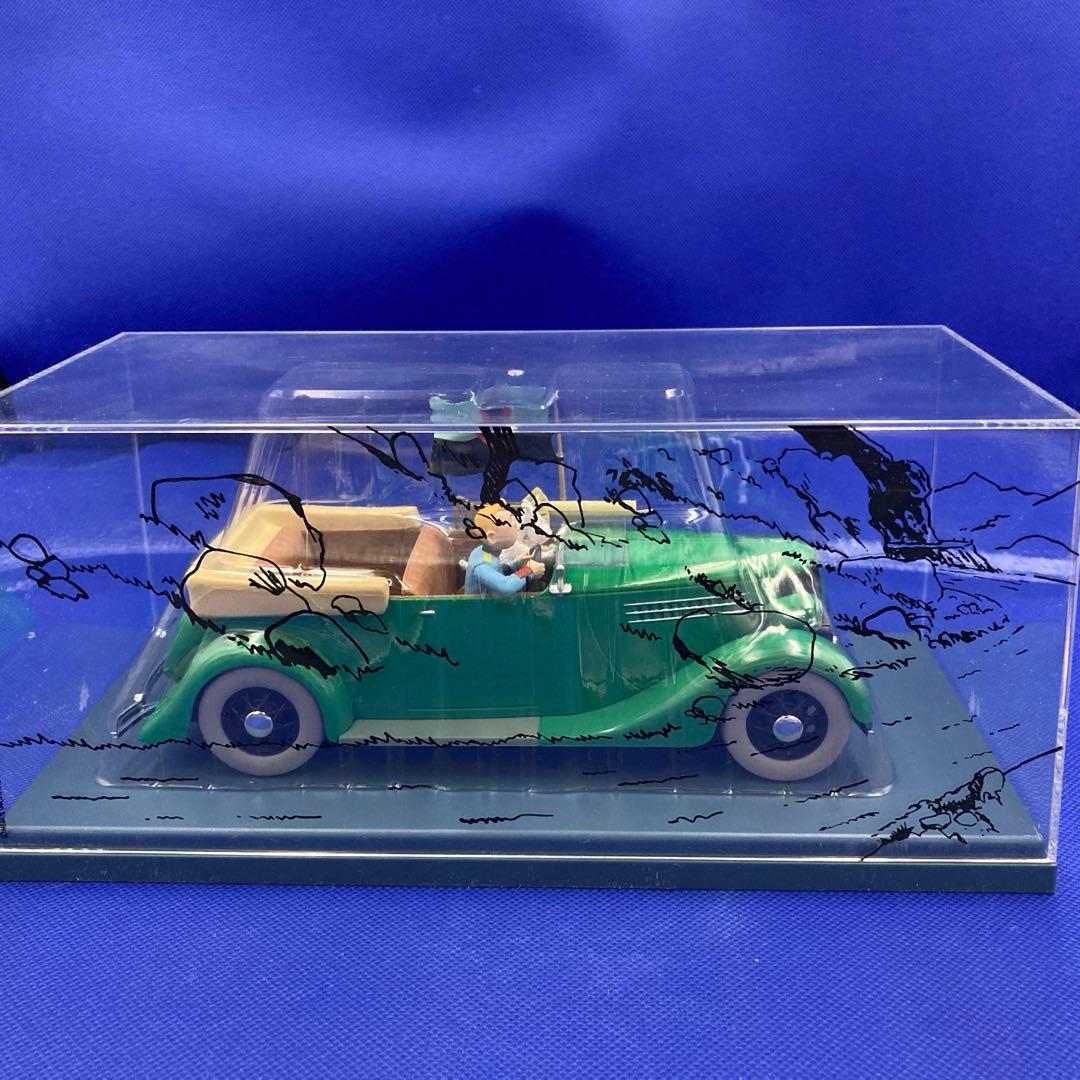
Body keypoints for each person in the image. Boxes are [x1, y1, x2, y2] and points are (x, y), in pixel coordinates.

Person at [463, 503, 546, 596]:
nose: (518, 526)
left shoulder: (484, 553)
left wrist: (515, 563)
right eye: (512, 522)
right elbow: (505, 586)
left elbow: (495, 571)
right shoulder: (481, 565)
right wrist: (528, 570)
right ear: (492, 537)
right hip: (481, 605)